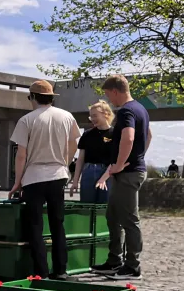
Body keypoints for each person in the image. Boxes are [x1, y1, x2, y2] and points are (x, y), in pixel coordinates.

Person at [8, 80, 81, 280]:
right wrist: (65, 163)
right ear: (51, 97)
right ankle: (61, 270)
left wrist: (17, 181)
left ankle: (41, 271)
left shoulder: (26, 120)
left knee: (35, 226)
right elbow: (74, 144)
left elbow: (21, 155)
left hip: (33, 176)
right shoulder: (67, 117)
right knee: (58, 224)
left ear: (32, 97)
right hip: (58, 174)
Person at [91, 74, 152, 280]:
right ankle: (114, 261)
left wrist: (119, 164)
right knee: (113, 217)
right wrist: (138, 156)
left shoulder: (127, 110)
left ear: (116, 91)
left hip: (127, 173)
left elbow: (129, 137)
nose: (110, 101)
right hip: (129, 170)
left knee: (128, 219)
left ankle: (132, 266)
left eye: (109, 96)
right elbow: (148, 135)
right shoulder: (140, 109)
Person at [69, 101, 114, 204]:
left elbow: (115, 160)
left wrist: (103, 178)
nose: (92, 119)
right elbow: (80, 159)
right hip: (88, 171)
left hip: (108, 172)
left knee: (104, 206)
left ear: (106, 114)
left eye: (95, 116)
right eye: (91, 117)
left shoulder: (115, 134)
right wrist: (75, 180)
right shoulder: (87, 134)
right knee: (86, 205)